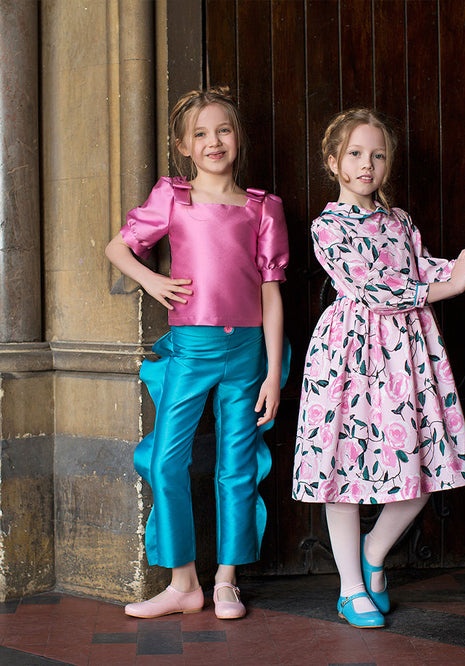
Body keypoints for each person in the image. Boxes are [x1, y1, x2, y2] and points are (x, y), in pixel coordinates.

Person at [292, 108, 465, 629]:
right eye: (356, 154)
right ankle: (351, 588)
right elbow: (372, 289)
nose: (367, 164)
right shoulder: (327, 226)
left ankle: (373, 554)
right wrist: (441, 288)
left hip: (408, 353)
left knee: (423, 464)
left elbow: (427, 271)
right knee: (342, 470)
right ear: (333, 161)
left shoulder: (399, 220)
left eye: (377, 155)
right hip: (350, 355)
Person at [106, 87, 289, 620]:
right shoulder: (173, 197)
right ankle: (183, 583)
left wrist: (274, 374)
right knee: (167, 462)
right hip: (192, 347)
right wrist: (152, 281)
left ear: (238, 139)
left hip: (248, 350)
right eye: (202, 134)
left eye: (224, 131)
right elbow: (119, 246)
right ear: (184, 146)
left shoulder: (263, 207)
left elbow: (271, 294)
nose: (214, 141)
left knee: (236, 466)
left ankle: (227, 580)